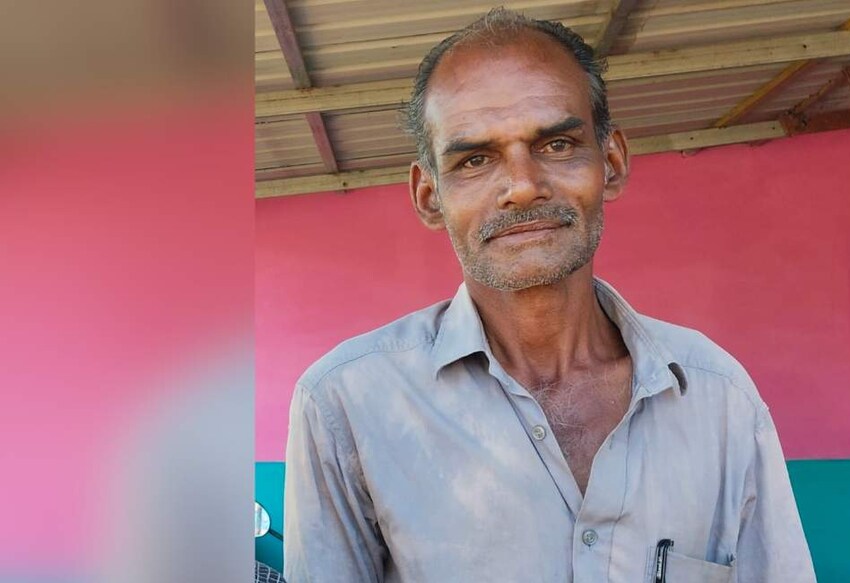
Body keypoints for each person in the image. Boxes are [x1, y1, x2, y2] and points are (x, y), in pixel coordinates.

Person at [284, 8, 815, 583]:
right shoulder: (346, 405)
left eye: (558, 144)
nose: (523, 186)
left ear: (610, 164)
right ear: (429, 196)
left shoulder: (718, 397)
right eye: (475, 160)